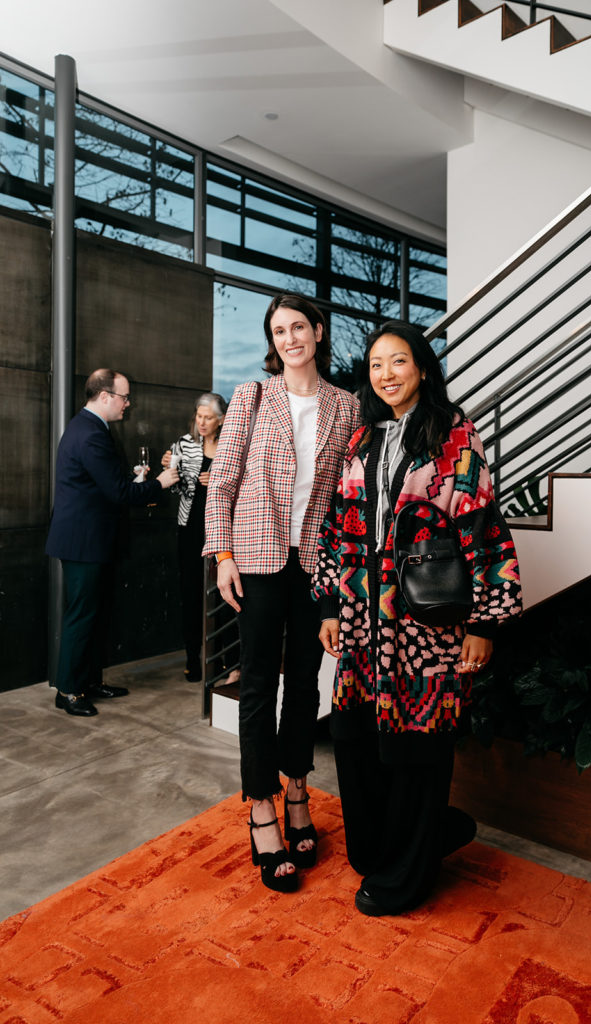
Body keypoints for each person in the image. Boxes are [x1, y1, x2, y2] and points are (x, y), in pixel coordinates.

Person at [312, 321, 523, 917]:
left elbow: (481, 525)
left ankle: (410, 872)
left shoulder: (453, 434)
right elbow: (337, 531)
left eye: (398, 361)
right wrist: (329, 604)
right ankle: (394, 846)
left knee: (418, 748)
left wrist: (484, 622)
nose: (386, 374)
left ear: (422, 368)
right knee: (355, 742)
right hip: (359, 622)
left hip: (424, 625)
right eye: (377, 364)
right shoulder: (360, 441)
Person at [204, 292, 360, 893]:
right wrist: (222, 555)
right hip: (257, 560)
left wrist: (339, 577)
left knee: (305, 681)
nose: (290, 338)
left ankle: (299, 790)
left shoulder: (345, 406)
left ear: (319, 332)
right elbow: (224, 483)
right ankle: (262, 806)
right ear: (273, 341)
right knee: (258, 683)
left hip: (315, 563)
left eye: (299, 327)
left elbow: (345, 499)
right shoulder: (252, 396)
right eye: (279, 330)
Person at [46, 368, 179, 717]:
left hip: (89, 539)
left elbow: (104, 485)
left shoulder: (88, 428)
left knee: (94, 614)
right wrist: (160, 484)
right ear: (104, 396)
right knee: (82, 615)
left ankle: (87, 681)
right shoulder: (90, 433)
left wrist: (135, 481)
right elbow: (117, 492)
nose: (128, 403)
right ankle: (69, 691)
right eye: (124, 397)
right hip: (83, 542)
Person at [161, 392, 228, 682]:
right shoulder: (183, 445)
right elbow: (176, 489)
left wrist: (218, 481)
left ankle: (225, 658)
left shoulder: (231, 446)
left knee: (223, 596)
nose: (201, 422)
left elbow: (244, 484)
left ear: (221, 420)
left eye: (208, 417)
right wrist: (170, 471)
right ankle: (192, 658)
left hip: (222, 531)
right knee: (190, 594)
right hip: (190, 530)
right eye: (198, 416)